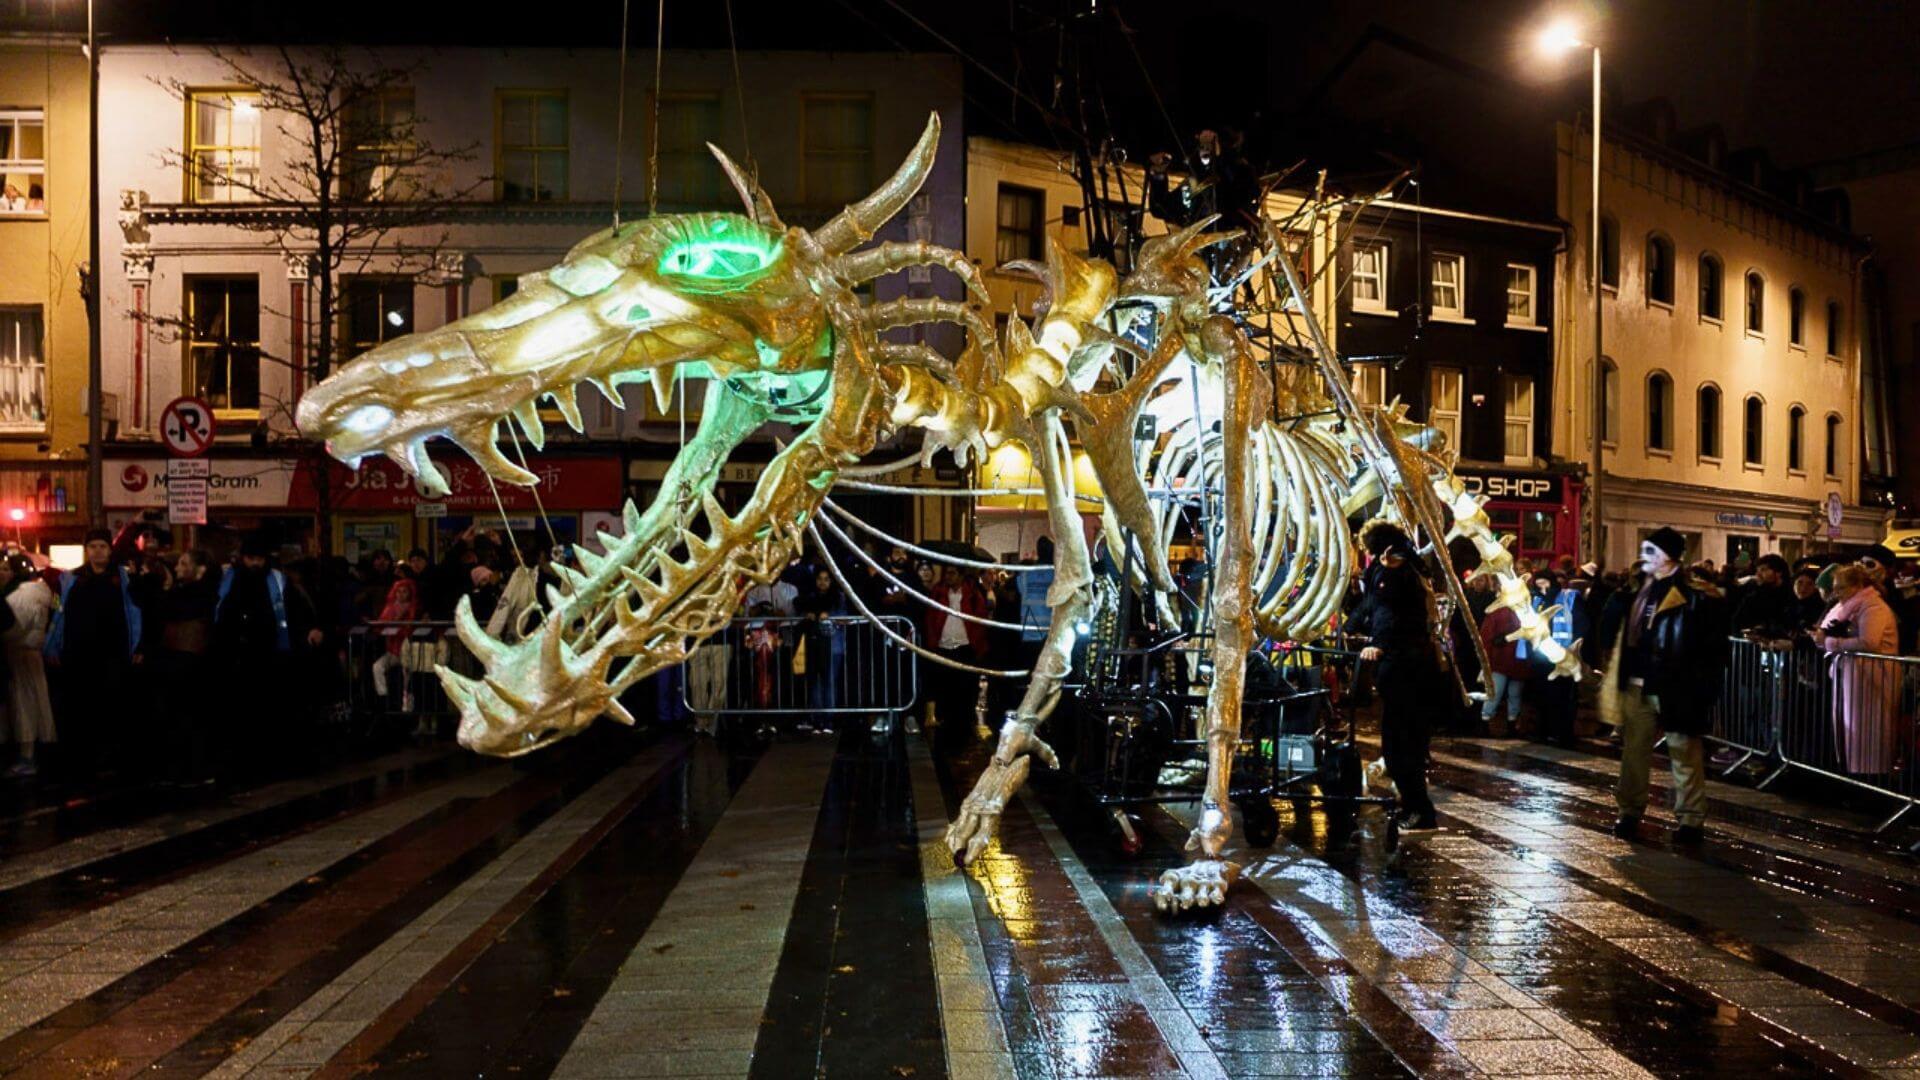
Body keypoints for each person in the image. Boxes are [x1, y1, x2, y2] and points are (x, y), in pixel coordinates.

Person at [1585, 527, 1729, 844]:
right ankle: (1629, 811)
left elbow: (1713, 648)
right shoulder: (1635, 590)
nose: (1643, 556)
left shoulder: (1697, 595)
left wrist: (1703, 688)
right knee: (1633, 752)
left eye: (1651, 551)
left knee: (1684, 752)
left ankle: (1690, 819)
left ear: (1669, 557)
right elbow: (1611, 627)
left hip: (1677, 685)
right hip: (1637, 683)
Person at [1351, 520, 1441, 831]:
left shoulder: (1396, 571)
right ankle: (1414, 807)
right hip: (1410, 666)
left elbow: (1389, 613)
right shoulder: (1404, 569)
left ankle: (1420, 810)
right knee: (1403, 742)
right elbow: (1373, 608)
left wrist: (1377, 644)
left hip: (1405, 666)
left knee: (1402, 743)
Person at [45, 528, 144, 780]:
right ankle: (83, 758)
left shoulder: (124, 579)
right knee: (80, 707)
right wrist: (52, 644)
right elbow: (56, 610)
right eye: (93, 546)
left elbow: (139, 612)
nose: (98, 551)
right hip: (78, 654)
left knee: (110, 706)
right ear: (86, 550)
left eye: (102, 546)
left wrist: (139, 646)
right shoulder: (69, 579)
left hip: (112, 653)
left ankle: (109, 757)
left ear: (110, 550)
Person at [1818, 563, 1900, 781]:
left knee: (1868, 733)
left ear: (1858, 586)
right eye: (1835, 588)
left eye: (1841, 588)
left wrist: (1831, 642)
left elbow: (1869, 642)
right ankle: (1855, 774)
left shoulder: (1873, 607)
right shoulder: (1849, 607)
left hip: (1872, 677)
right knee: (1854, 731)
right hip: (1855, 676)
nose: (1837, 593)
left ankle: (1871, 779)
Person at [148, 549, 219, 785]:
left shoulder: (200, 594)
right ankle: (184, 767)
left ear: (200, 570)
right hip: (179, 660)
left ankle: (192, 768)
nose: (178, 568)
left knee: (187, 715)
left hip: (188, 662)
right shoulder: (189, 593)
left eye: (183, 564)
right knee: (180, 715)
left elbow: (168, 611)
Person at [924, 566, 988, 753]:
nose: (948, 576)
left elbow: (980, 619)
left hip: (965, 646)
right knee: (945, 687)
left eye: (952, 573)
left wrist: (977, 644)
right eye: (947, 573)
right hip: (944, 645)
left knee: (965, 688)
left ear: (961, 576)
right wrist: (933, 641)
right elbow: (931, 617)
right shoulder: (938, 592)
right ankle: (947, 724)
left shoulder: (973, 594)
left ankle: (964, 725)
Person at [2, 554, 53, 778]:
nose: (2, 573)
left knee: (24, 706)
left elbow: (13, 628)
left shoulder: (21, 596)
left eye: (6, 568)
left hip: (20, 656)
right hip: (27, 655)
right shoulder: (39, 592)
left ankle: (27, 757)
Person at [795, 568, 847, 723]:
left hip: (833, 645)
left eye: (826, 579)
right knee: (815, 682)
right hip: (814, 644)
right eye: (819, 579)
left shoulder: (839, 597)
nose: (822, 582)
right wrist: (807, 615)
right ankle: (817, 719)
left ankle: (828, 719)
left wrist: (830, 616)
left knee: (830, 681)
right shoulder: (810, 597)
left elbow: (845, 617)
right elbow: (800, 614)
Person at [1478, 598, 1531, 734]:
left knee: (1506, 693)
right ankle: (1499, 721)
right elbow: (1486, 637)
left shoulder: (1500, 612)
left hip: (1509, 659)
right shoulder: (1502, 612)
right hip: (1508, 659)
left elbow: (1486, 637)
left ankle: (1493, 721)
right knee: (1503, 693)